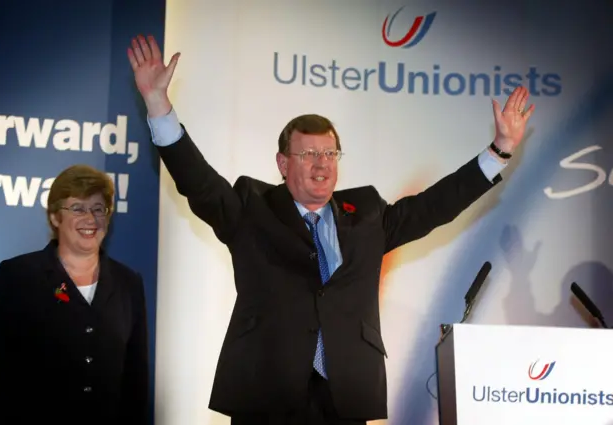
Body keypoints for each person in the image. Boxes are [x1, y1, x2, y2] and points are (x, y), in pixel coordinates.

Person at [127, 34, 534, 424]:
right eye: (308, 154)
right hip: (266, 394)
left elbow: (434, 206)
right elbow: (198, 181)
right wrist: (158, 104)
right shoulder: (252, 208)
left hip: (345, 396)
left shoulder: (368, 213)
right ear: (283, 164)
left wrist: (498, 152)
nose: (322, 164)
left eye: (329, 153)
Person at [0, 165, 149, 425]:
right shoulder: (17, 277)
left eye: (98, 209)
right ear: (55, 217)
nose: (90, 219)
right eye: (78, 208)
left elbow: (135, 381)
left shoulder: (129, 283)